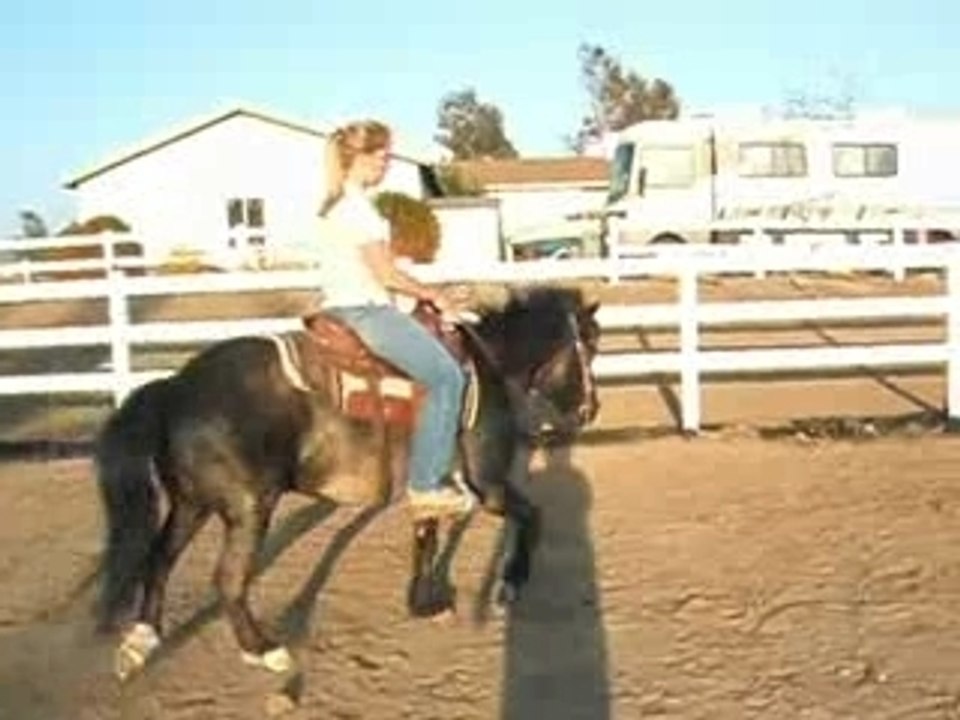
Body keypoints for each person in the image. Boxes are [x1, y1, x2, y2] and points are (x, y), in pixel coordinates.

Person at [316, 119, 474, 518]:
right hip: (366, 311)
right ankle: (426, 485)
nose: (386, 165)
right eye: (383, 156)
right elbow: (385, 275)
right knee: (446, 378)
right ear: (362, 158)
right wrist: (435, 295)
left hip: (339, 306)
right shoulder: (359, 211)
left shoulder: (336, 207)